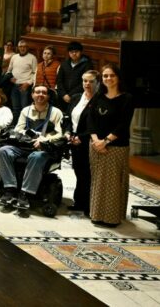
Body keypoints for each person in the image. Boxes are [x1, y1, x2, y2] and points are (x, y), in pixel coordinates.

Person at [0, 84, 65, 210]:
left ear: (48, 96)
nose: (40, 95)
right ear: (32, 95)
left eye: (44, 93)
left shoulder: (56, 112)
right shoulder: (26, 110)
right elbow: (18, 129)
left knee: (36, 156)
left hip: (44, 148)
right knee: (2, 151)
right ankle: (10, 188)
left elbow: (60, 134)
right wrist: (28, 135)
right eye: (37, 92)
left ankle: (25, 193)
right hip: (24, 146)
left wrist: (45, 139)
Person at [87, 64, 135, 227]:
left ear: (118, 78)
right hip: (95, 145)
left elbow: (123, 125)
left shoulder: (127, 98)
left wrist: (105, 141)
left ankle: (111, 217)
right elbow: (90, 120)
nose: (108, 78)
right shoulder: (98, 96)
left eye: (112, 75)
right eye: (105, 76)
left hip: (116, 146)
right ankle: (97, 214)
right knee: (98, 181)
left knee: (113, 183)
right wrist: (95, 140)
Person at [67, 70, 98, 215]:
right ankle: (79, 202)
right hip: (73, 140)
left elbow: (97, 125)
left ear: (97, 83)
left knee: (88, 173)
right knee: (78, 171)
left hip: (89, 141)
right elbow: (69, 118)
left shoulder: (99, 100)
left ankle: (89, 205)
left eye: (91, 81)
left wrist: (82, 138)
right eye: (85, 81)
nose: (87, 84)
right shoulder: (76, 97)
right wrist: (68, 132)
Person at [7, 40, 37, 121]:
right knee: (15, 108)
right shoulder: (14, 57)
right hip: (14, 86)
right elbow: (9, 70)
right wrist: (10, 77)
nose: (22, 48)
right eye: (20, 46)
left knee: (25, 108)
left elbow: (35, 73)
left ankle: (25, 125)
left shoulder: (32, 58)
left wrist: (28, 83)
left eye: (24, 47)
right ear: (18, 48)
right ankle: (16, 124)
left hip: (25, 86)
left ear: (27, 48)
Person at [56, 41, 93, 106]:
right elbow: (59, 80)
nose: (74, 54)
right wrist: (63, 94)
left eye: (76, 51)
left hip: (78, 96)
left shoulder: (87, 65)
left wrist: (70, 95)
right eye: (71, 52)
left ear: (81, 52)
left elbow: (85, 82)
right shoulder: (64, 64)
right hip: (63, 96)